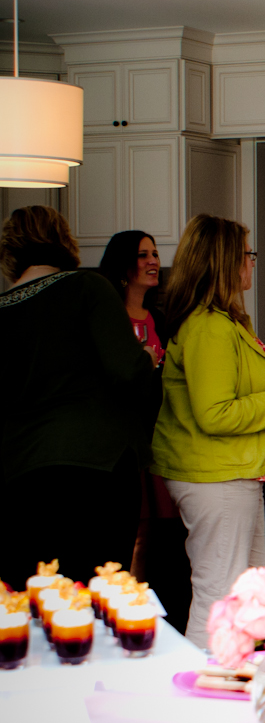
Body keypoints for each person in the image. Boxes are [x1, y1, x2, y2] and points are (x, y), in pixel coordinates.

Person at [151, 215, 265, 648]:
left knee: (246, 598)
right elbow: (214, 414)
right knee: (220, 597)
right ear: (226, 262)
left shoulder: (222, 322)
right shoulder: (210, 327)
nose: (252, 263)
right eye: (247, 255)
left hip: (233, 471)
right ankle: (196, 685)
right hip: (216, 476)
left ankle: (233, 681)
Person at [0, 206, 155, 590]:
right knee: (97, 590)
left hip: (19, 471)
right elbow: (127, 372)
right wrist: (147, 361)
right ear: (63, 240)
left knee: (33, 594)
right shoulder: (88, 287)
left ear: (10, 249)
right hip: (94, 466)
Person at [98, 230, 163, 365]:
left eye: (155, 254)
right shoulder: (105, 316)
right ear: (122, 264)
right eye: (142, 255)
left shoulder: (159, 318)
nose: (153, 261)